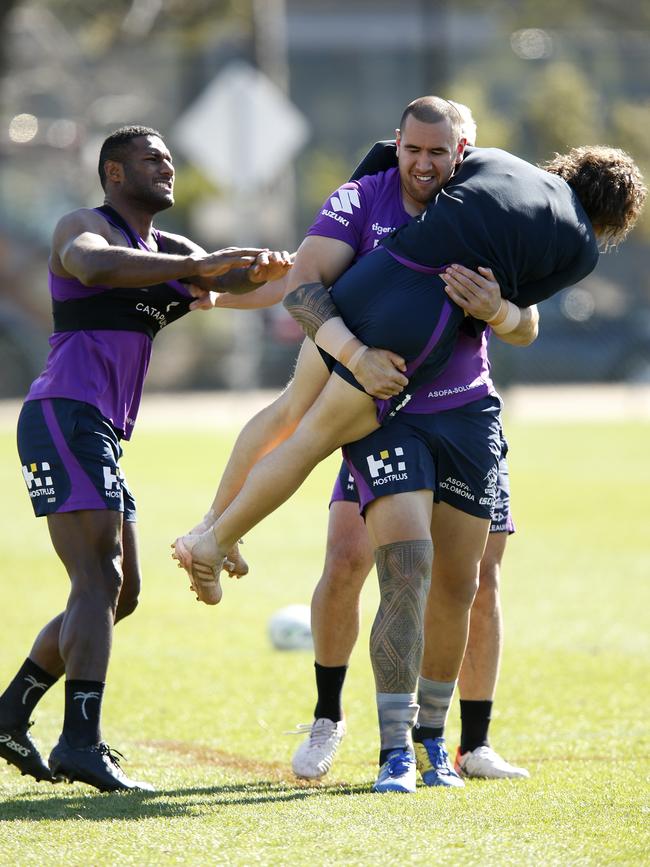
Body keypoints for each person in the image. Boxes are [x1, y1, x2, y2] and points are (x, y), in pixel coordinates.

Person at [173, 99, 646, 792]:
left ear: (462, 152)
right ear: (399, 145)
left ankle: (461, 742)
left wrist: (499, 310)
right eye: (413, 151)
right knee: (327, 493)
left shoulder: (486, 175)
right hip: (385, 353)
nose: (425, 164)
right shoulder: (374, 194)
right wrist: (356, 351)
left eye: (440, 152)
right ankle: (221, 545)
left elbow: (525, 323)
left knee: (460, 576)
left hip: (450, 397)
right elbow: (303, 286)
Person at [0, 125, 291, 792]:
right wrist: (201, 265)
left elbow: (246, 285)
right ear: (113, 174)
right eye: (150, 159)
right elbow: (93, 265)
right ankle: (81, 741)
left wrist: (297, 266)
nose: (166, 166)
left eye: (168, 158)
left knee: (120, 592)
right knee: (96, 579)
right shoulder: (85, 226)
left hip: (94, 428)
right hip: (63, 415)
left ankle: (10, 711)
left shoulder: (173, 250)